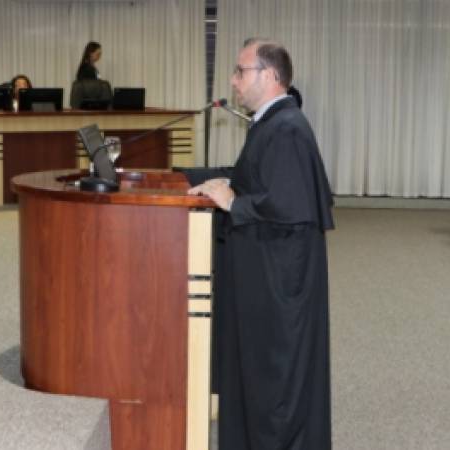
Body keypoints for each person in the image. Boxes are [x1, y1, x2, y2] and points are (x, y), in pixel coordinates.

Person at [184, 38, 334, 450]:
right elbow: (266, 182)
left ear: (268, 75)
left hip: (279, 281)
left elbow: (291, 204)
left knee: (275, 377)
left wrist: (234, 202)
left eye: (240, 71)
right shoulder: (273, 122)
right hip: (268, 270)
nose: (233, 80)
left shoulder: (287, 128)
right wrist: (226, 183)